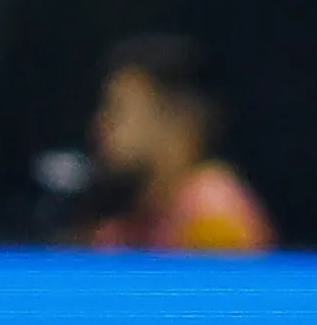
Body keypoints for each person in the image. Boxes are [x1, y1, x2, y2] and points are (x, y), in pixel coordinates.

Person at [82, 35, 272, 252]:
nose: (100, 125)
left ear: (178, 119)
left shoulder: (211, 216)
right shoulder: (133, 220)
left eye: (119, 108)